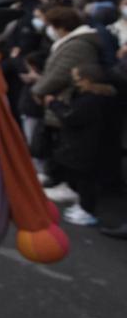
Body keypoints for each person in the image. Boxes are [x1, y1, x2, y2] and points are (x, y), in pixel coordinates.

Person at [28, 7, 101, 198]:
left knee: (67, 148)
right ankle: (56, 178)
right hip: (59, 101)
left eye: (50, 25)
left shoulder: (78, 45)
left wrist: (38, 90)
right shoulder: (70, 43)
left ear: (60, 26)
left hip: (65, 101)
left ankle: (69, 185)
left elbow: (59, 73)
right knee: (58, 145)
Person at [45, 64, 118, 226]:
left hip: (84, 145)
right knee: (85, 178)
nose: (74, 81)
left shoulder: (89, 100)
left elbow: (71, 117)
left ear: (86, 80)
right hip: (95, 144)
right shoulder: (106, 97)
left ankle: (86, 210)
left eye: (77, 77)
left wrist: (54, 104)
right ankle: (83, 206)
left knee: (85, 180)